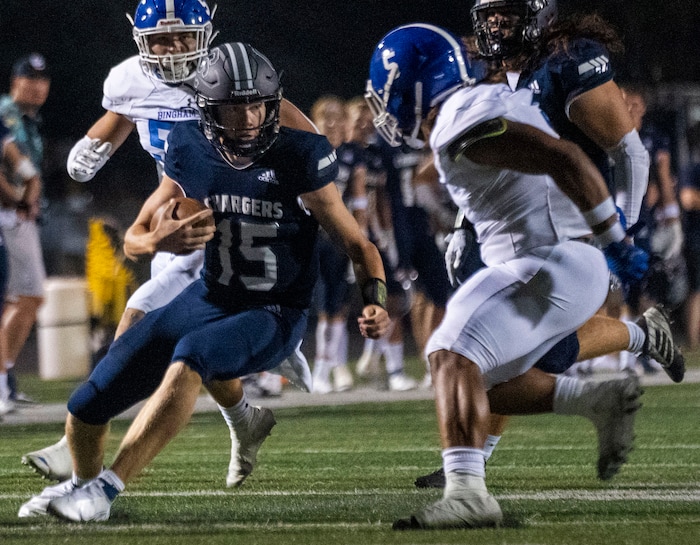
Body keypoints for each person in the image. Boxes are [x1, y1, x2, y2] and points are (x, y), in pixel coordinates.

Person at [19, 41, 390, 522]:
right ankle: (82, 483)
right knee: (89, 400)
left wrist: (375, 300)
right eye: (236, 108)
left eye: (258, 103)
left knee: (191, 357)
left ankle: (106, 491)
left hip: (274, 309)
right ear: (209, 108)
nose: (251, 118)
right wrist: (160, 241)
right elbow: (135, 235)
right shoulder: (189, 146)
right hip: (210, 294)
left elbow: (359, 245)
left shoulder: (300, 154)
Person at [365, 23, 649, 530]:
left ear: (408, 85)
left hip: (547, 262)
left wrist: (616, 242)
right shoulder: (475, 103)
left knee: (450, 350)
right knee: (480, 381)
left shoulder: (458, 120)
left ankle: (469, 495)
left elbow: (563, 158)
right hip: (552, 263)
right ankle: (595, 399)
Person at [21, 0, 315, 488]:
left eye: (184, 36)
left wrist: (289, 192)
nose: (174, 48)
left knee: (138, 323)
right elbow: (120, 118)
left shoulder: (228, 72)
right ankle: (244, 417)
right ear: (139, 40)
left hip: (233, 223)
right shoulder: (129, 81)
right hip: (175, 213)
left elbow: (307, 139)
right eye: (161, 39)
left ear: (207, 34)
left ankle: (88, 439)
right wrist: (90, 151)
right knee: (190, 343)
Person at [412, 0, 683, 488]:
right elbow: (483, 163)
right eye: (489, 14)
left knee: (533, 355)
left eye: (508, 13)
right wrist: (460, 223)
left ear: (537, 14)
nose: (496, 24)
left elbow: (629, 150)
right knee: (497, 350)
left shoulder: (567, 60)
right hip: (510, 227)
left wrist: (621, 230)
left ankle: (473, 464)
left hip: (578, 219)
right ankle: (473, 459)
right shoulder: (481, 71)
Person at [0, 53, 50, 404]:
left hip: (21, 214)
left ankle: (7, 376)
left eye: (42, 80)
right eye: (28, 79)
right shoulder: (6, 113)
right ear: (14, 82)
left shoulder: (29, 120)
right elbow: (12, 161)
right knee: (24, 295)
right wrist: (19, 196)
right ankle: (3, 377)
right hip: (10, 215)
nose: (36, 86)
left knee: (25, 297)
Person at [308, 95, 364, 393]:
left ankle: (332, 368)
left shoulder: (352, 154)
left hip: (341, 237)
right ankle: (320, 370)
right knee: (323, 306)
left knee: (339, 306)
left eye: (336, 116)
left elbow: (359, 198)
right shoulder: (308, 151)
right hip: (313, 236)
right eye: (324, 116)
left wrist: (360, 238)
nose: (330, 122)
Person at [0, 120, 43, 416]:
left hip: (9, 218)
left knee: (18, 299)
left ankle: (4, 382)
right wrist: (18, 198)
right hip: (8, 216)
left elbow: (23, 166)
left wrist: (28, 191)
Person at [680, 121, 700, 349]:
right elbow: (687, 198)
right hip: (696, 236)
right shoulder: (692, 167)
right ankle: (692, 341)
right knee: (695, 288)